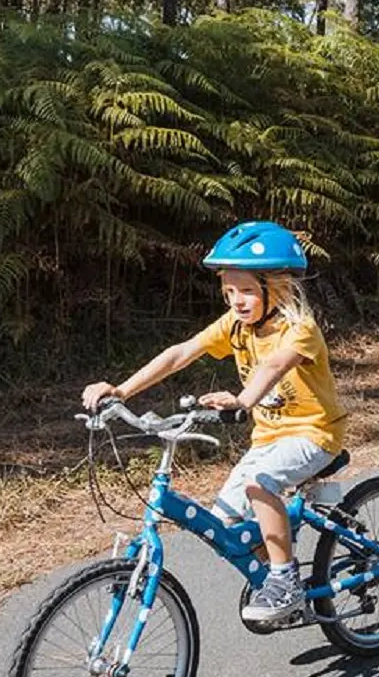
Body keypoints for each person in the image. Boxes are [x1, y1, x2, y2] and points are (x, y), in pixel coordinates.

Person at [80, 221, 346, 625]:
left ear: (275, 287)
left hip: (314, 434)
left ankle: (284, 579)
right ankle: (279, 573)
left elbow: (274, 365)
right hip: (269, 439)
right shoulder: (236, 326)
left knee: (261, 484)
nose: (236, 301)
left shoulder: (299, 329)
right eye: (228, 292)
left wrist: (241, 400)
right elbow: (181, 352)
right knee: (225, 522)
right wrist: (121, 390)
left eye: (246, 291)